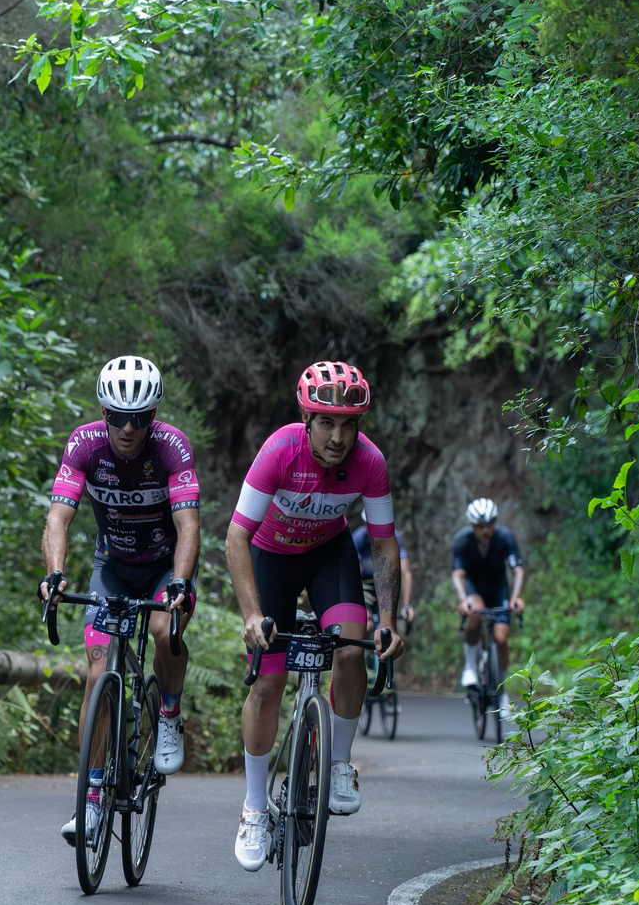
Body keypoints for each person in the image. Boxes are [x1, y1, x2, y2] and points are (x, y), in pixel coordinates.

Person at [225, 361, 404, 871]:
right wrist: (253, 614)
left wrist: (387, 617)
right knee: (268, 683)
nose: (338, 437)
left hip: (329, 556)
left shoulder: (370, 462)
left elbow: (384, 544)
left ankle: (340, 763)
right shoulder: (280, 450)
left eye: (350, 425)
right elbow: (236, 537)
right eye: (327, 423)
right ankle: (254, 806)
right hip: (271, 557)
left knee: (352, 650)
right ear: (307, 418)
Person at [40, 356, 200, 847]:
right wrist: (55, 574)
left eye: (140, 418)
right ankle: (89, 806)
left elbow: (188, 525)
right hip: (111, 567)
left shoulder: (172, 446)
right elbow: (58, 518)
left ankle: (168, 712)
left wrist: (179, 583)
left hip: (161, 570)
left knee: (160, 631)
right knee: (96, 671)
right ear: (103, 412)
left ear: (153, 416)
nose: (129, 429)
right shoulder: (84, 443)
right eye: (118, 417)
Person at [451, 498, 525, 719]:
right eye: (481, 526)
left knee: (501, 638)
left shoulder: (504, 537)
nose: (486, 530)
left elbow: (518, 570)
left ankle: (502, 692)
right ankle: (471, 667)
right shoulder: (462, 540)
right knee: (475, 611)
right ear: (473, 526)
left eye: (490, 524)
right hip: (474, 589)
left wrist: (515, 597)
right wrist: (463, 599)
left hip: (498, 589)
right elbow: (457, 574)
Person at [352, 522, 414, 635]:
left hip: (384, 584)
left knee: (386, 630)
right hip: (365, 585)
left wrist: (406, 605)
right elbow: (354, 573)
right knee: (366, 625)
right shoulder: (359, 536)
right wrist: (361, 606)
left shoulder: (394, 536)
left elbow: (405, 573)